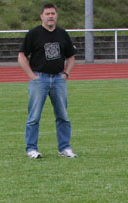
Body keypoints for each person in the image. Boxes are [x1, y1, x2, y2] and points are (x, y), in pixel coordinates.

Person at [18, 3, 77, 159]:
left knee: (63, 116)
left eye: (53, 13)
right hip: (40, 79)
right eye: (47, 14)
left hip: (58, 79)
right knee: (34, 117)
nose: (50, 16)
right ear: (41, 16)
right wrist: (32, 76)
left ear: (56, 15)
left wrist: (66, 73)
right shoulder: (34, 34)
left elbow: (71, 57)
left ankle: (64, 148)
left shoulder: (63, 34)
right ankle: (31, 148)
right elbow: (22, 55)